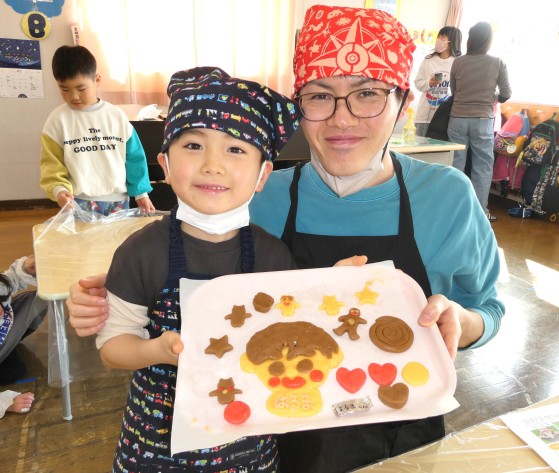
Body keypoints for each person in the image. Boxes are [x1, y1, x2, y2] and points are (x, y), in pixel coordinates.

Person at [67, 6, 505, 472]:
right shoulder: (254, 196)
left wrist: (461, 322)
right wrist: (109, 297)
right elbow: (194, 270)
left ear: (403, 102)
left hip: (401, 437)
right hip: (274, 437)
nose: (341, 119)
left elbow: (488, 309)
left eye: (367, 93)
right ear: (299, 106)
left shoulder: (448, 197)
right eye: (320, 96)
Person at [95, 66, 299, 471]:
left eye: (235, 149)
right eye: (193, 145)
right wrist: (156, 350)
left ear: (263, 174)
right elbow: (112, 348)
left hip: (247, 435)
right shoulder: (140, 253)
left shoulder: (273, 257)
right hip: (156, 440)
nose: (212, 165)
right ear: (165, 165)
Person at [40, 45, 155, 216]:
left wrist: (141, 193)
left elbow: (134, 158)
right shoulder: (57, 120)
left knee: (118, 235)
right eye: (64, 89)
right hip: (78, 201)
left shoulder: (116, 116)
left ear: (97, 80)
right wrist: (58, 189)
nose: (74, 96)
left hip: (118, 200)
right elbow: (51, 163)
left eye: (81, 89)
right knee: (84, 235)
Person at [447, 21, 512, 222]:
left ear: (470, 38)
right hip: (483, 119)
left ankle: (452, 209)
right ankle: (479, 212)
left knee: (455, 165)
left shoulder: (458, 62)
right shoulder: (497, 62)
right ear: (488, 40)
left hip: (457, 118)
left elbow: (454, 90)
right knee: (482, 167)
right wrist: (493, 98)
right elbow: (507, 93)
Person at [1, 255, 46, 419]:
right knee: (16, 370)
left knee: (36, 301)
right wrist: (5, 403)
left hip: (4, 332)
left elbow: (10, 280)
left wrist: (26, 269)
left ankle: (8, 344)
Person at [414, 26, 462, 137]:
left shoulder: (458, 62)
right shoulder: (428, 59)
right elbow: (417, 83)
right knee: (419, 145)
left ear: (452, 42)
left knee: (439, 147)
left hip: (445, 116)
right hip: (424, 116)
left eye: (443, 38)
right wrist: (429, 83)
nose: (439, 40)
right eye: (438, 37)